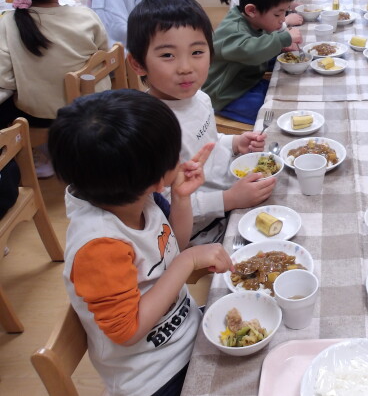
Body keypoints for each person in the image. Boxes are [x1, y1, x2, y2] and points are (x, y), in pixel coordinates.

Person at [49, 89, 233, 396]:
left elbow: (172, 245)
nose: (181, 160)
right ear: (157, 178)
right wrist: (187, 261)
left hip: (187, 330)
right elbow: (128, 330)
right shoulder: (99, 246)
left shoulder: (137, 197)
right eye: (174, 155)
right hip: (154, 375)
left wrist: (181, 198)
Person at [127, 0, 276, 244]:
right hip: (202, 229)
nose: (186, 67)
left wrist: (234, 142)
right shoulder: (151, 129)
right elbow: (167, 204)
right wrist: (229, 199)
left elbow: (206, 141)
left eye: (197, 52)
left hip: (231, 190)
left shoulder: (200, 97)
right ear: (138, 64)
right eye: (168, 55)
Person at [0, 0, 110, 177]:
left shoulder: (7, 23)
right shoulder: (85, 16)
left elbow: (5, 80)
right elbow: (104, 55)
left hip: (41, 116)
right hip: (92, 104)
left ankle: (37, 156)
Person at [203, 0, 301, 124]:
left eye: (285, 12)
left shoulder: (255, 21)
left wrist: (280, 47)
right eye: (278, 14)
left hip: (248, 79)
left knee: (285, 94)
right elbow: (251, 51)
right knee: (273, 113)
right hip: (227, 94)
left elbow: (261, 43)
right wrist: (283, 39)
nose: (283, 19)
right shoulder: (233, 30)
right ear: (252, 10)